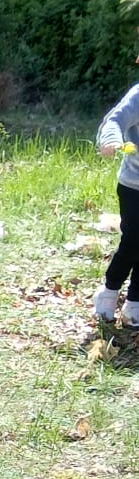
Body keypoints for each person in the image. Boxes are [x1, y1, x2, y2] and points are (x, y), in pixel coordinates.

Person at [95, 66, 139, 326]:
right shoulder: (138, 95)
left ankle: (135, 303)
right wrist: (111, 139)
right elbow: (115, 119)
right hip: (134, 185)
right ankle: (109, 291)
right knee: (133, 241)